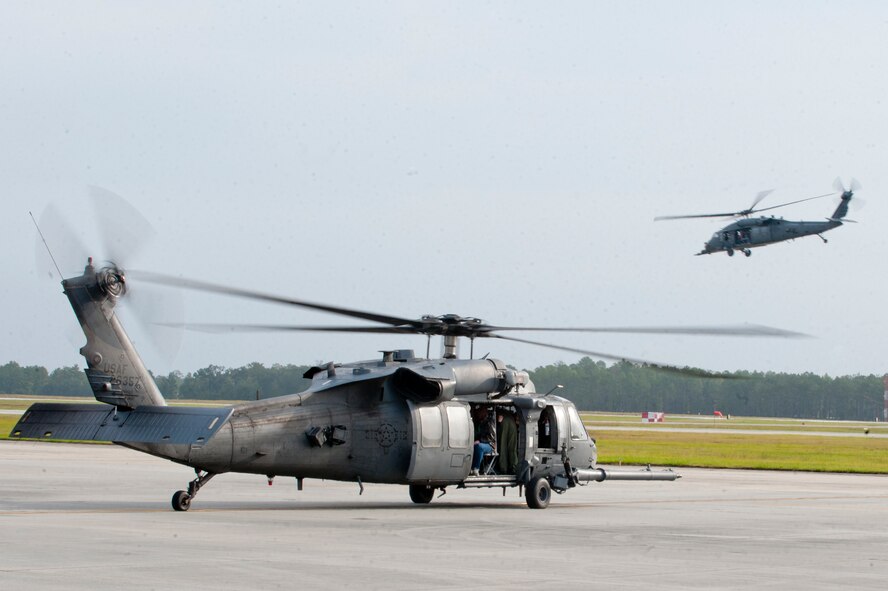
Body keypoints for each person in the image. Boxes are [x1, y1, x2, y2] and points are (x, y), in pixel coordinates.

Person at [470, 406, 496, 475]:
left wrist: (480, 441)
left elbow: (491, 437)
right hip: (482, 442)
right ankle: (472, 468)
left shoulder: (489, 422)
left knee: (479, 447)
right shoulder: (480, 422)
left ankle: (476, 467)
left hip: (490, 445)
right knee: (476, 447)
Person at [496, 409, 519, 474]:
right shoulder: (511, 417)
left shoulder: (503, 414)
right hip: (511, 422)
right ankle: (513, 467)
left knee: (502, 446)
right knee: (512, 447)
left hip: (504, 421)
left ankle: (503, 468)